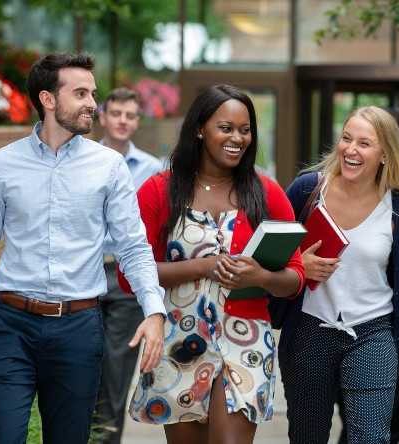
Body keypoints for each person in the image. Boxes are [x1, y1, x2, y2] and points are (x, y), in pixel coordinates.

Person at [0, 53, 166, 444]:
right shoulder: (2, 164)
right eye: (81, 93)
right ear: (48, 99)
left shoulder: (109, 167)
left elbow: (133, 246)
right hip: (11, 326)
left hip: (78, 328)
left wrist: (154, 310)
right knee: (2, 437)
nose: (93, 103)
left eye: (93, 93)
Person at [118, 84, 304, 444]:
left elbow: (296, 276)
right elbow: (130, 274)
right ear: (200, 129)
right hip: (180, 340)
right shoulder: (160, 190)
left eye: (245, 129)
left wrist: (262, 276)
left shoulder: (266, 193)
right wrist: (202, 267)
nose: (238, 138)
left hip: (245, 340)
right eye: (227, 128)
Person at [279, 106, 399, 444]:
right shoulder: (307, 191)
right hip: (309, 329)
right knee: (306, 436)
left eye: (364, 143)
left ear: (385, 154)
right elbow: (268, 257)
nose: (351, 149)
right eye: (346, 139)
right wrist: (299, 265)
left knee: (371, 438)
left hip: (373, 332)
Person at [93, 87, 164, 444]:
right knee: (78, 369)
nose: (122, 121)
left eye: (130, 115)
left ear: (137, 122)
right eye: (116, 113)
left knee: (115, 372)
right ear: (102, 116)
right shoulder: (81, 160)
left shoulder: (153, 171)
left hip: (124, 280)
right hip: (84, 277)